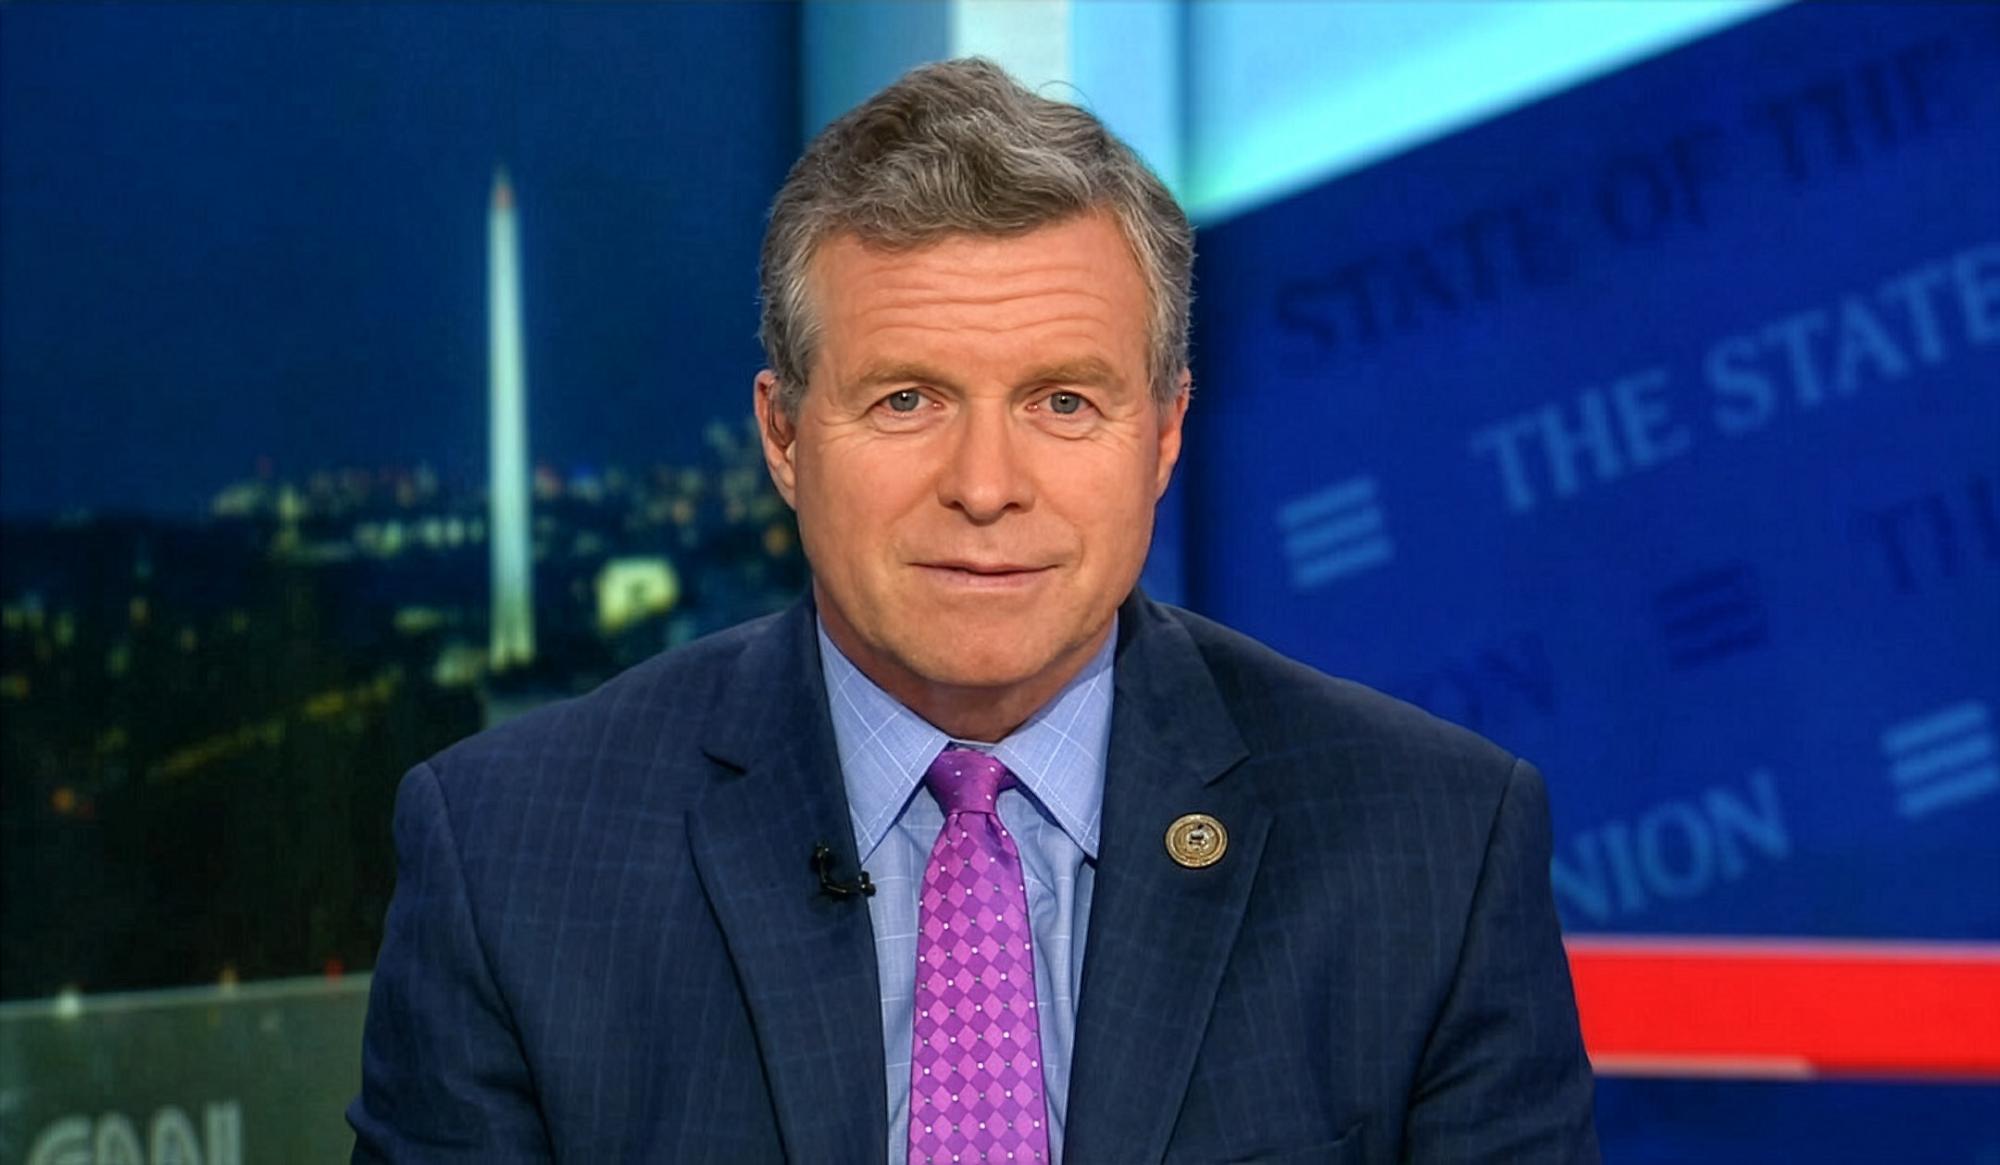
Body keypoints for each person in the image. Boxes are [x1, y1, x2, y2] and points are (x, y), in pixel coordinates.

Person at [349, 58, 1598, 1164]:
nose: (985, 488)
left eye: (1062, 401)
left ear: (1163, 431)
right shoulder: (513, 858)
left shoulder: (1431, 847)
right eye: (906, 401)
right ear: (783, 437)